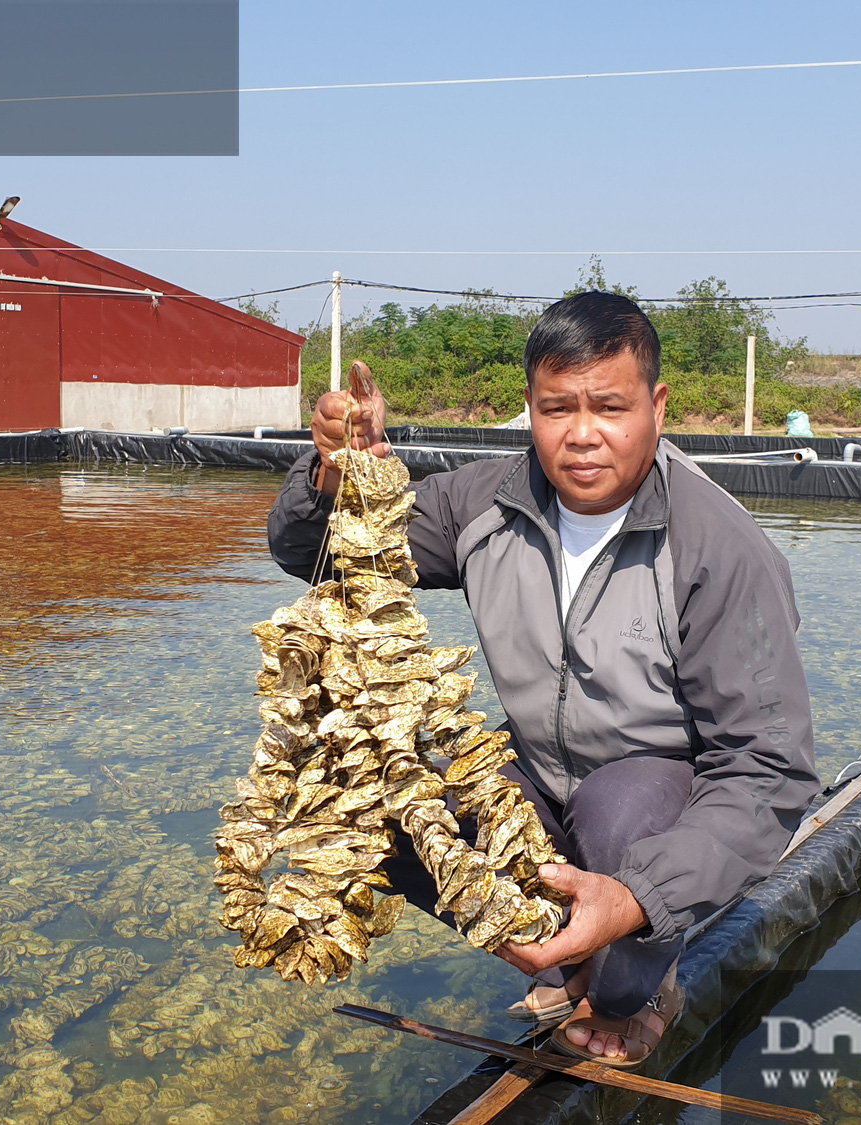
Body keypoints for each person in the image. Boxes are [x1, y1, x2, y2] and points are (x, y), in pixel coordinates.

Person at [267, 291, 820, 1066]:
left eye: (610, 406)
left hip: (656, 798)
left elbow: (769, 771)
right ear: (528, 408)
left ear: (656, 406)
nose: (584, 434)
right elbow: (318, 553)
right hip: (534, 771)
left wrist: (635, 898)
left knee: (619, 809)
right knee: (369, 806)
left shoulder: (718, 548)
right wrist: (335, 472)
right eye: (558, 408)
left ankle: (635, 983)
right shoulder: (483, 501)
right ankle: (562, 963)